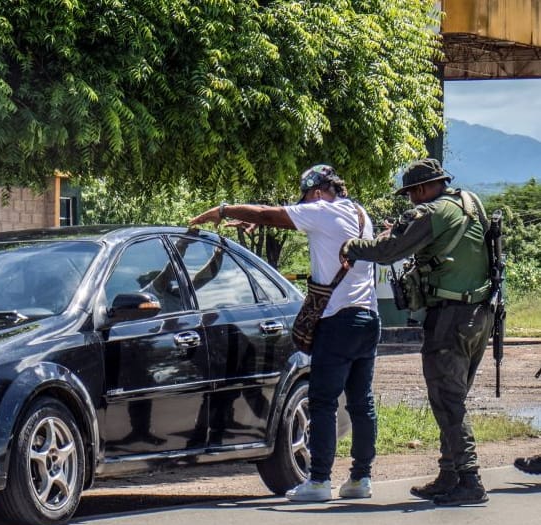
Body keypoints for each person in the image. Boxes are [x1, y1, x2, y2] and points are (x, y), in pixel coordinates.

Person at [189, 164, 380, 502]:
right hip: (369, 318)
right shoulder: (360, 214)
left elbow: (269, 214)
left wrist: (223, 211)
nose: (304, 205)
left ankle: (319, 480)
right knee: (361, 403)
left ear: (318, 192)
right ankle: (361, 478)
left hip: (338, 321)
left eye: (306, 197)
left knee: (322, 401)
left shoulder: (321, 210)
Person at [340, 157, 493, 506]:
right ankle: (450, 474)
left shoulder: (428, 214)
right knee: (452, 397)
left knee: (448, 399)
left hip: (449, 318)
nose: (410, 200)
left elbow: (387, 251)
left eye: (411, 193)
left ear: (423, 189)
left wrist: (351, 247)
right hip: (480, 314)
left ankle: (470, 479)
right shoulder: (470, 202)